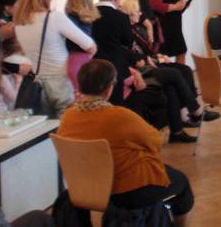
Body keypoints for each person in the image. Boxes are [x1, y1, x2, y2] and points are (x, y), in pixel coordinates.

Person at [58, 60, 195, 225]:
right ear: (108, 89)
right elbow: (155, 141)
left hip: (87, 188)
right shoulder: (119, 116)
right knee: (182, 183)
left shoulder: (67, 117)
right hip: (126, 191)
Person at [118, 0, 214, 143]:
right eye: (137, 11)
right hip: (139, 72)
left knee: (182, 74)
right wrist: (154, 59)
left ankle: (178, 128)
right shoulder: (127, 33)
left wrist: (157, 56)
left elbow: (146, 53)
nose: (140, 13)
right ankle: (194, 110)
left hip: (148, 65)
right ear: (130, 13)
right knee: (174, 74)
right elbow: (135, 57)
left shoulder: (137, 29)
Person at [13, 0, 96, 117]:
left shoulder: (19, 21)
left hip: (36, 82)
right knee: (67, 126)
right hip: (60, 83)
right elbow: (90, 46)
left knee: (44, 129)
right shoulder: (55, 18)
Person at [92, 0, 135, 104]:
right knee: (115, 105)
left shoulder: (88, 15)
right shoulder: (120, 17)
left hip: (93, 65)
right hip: (115, 67)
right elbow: (129, 41)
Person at [63, 0, 101, 92]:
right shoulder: (82, 19)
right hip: (82, 57)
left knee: (78, 91)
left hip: (76, 57)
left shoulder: (72, 18)